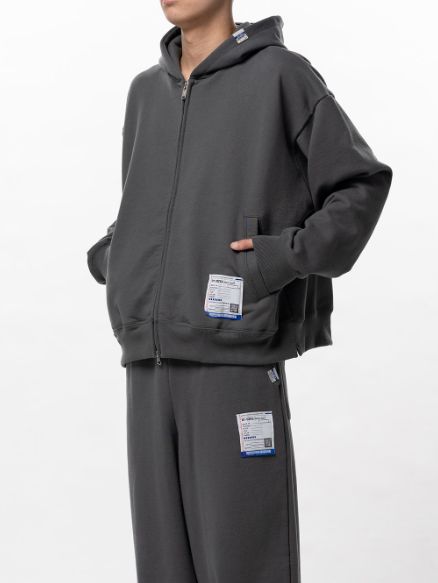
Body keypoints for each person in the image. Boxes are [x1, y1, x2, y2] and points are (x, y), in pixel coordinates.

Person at [86, 2, 393, 582]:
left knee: (245, 565)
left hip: (237, 360)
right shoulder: (144, 91)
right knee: (163, 569)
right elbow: (151, 202)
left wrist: (281, 259)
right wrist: (118, 256)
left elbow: (360, 184)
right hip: (148, 364)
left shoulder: (281, 75)